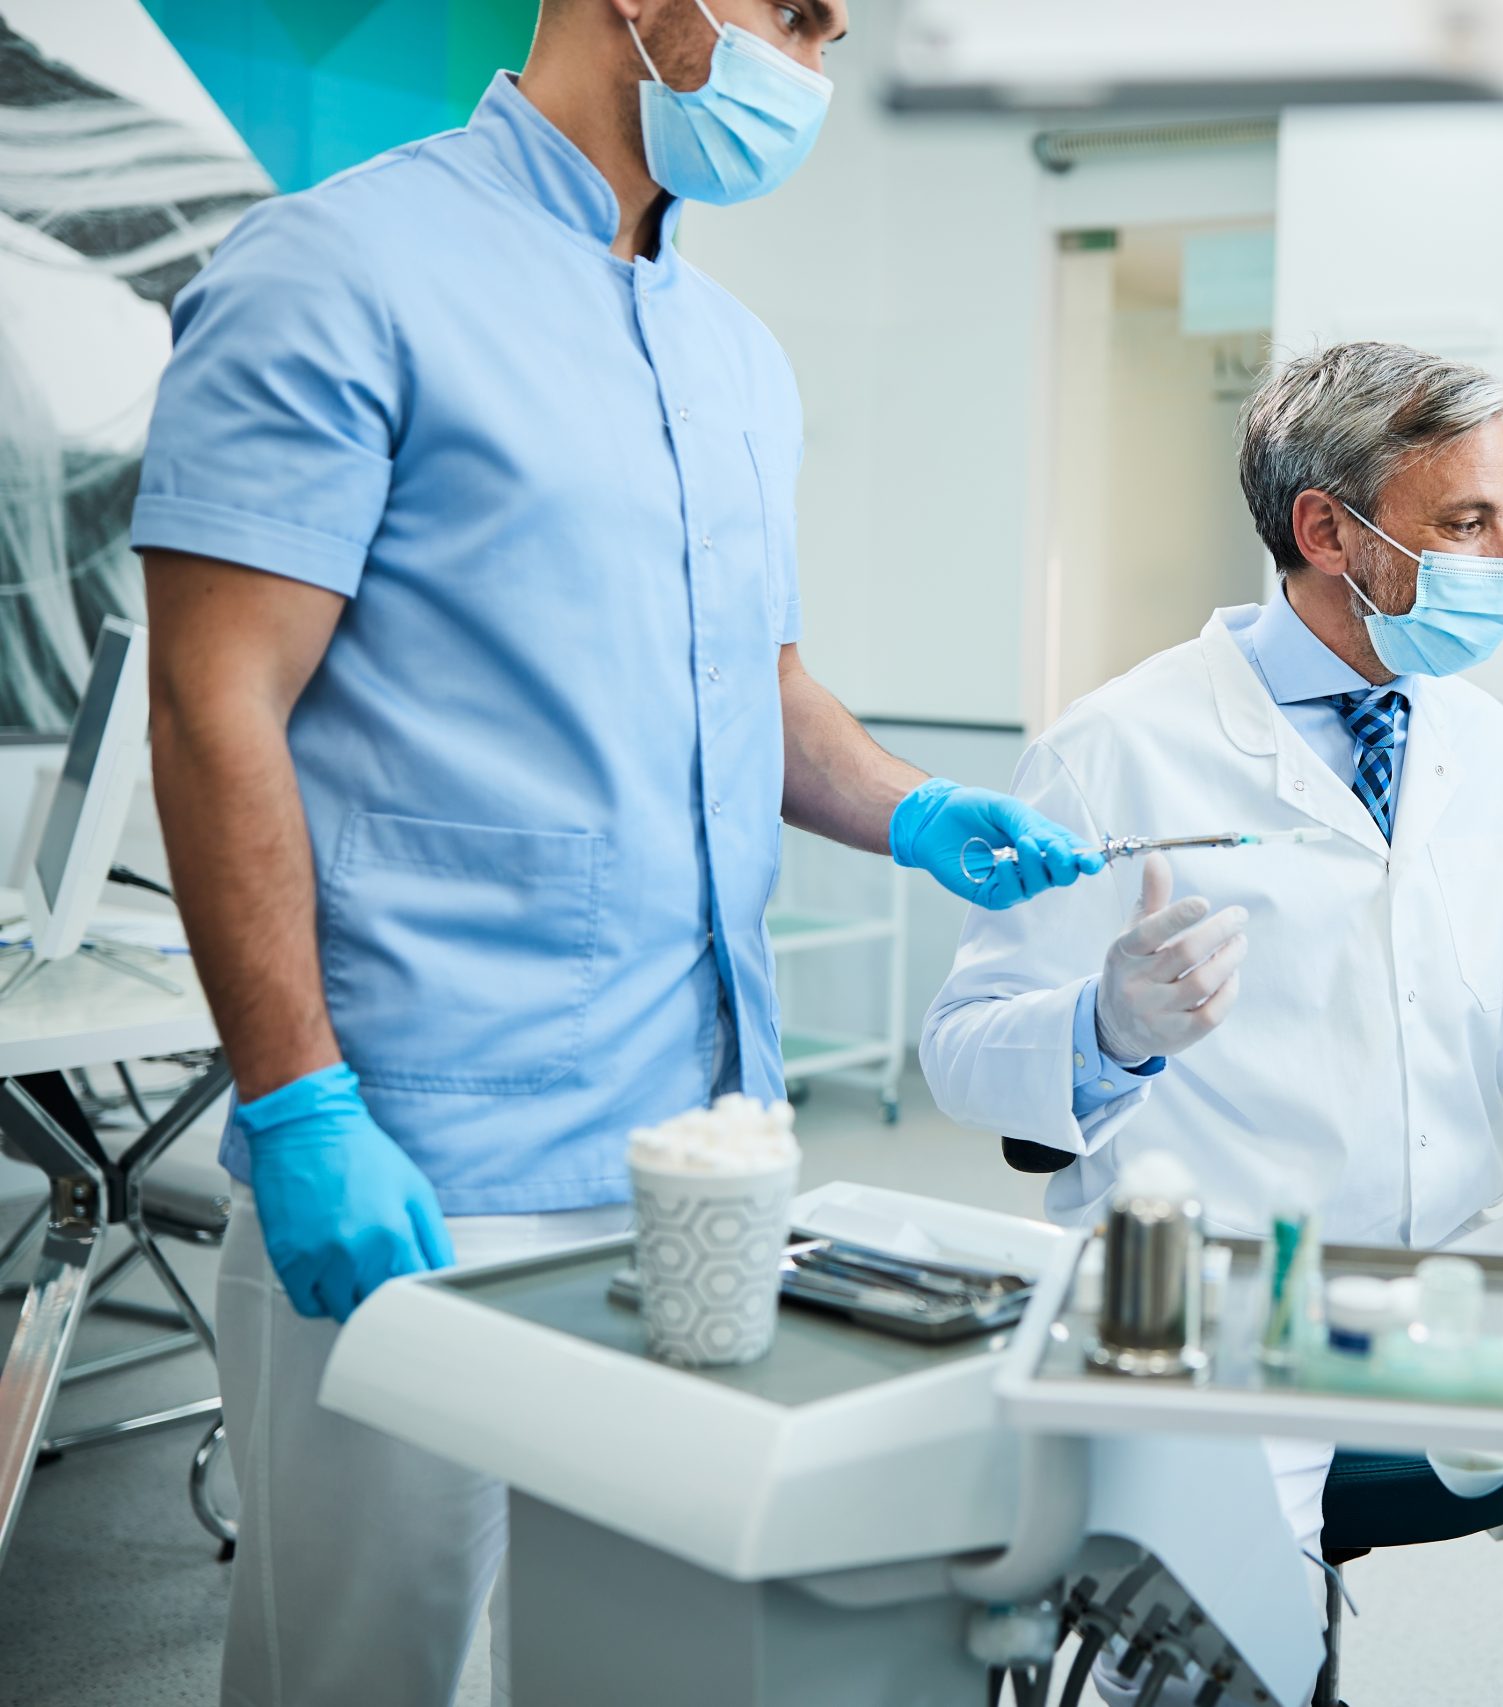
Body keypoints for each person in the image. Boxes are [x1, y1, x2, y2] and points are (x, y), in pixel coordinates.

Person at [132, 4, 1100, 1703]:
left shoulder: (734, 354)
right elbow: (222, 705)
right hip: (430, 1156)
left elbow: (762, 679)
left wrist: (914, 807)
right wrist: (296, 1105)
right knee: (371, 1673)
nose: (816, 55)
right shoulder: (336, 269)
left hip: (703, 1158)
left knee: (645, 1657)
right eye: (792, 12)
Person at [922, 340, 1503, 1586]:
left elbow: (1443, 1023)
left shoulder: (1482, 744)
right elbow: (960, 1050)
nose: (1502, 560)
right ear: (1327, 531)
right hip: (1213, 1300)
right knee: (1213, 1644)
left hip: (1445, 1266)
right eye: (1466, 522)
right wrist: (1103, 1029)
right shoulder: (1117, 746)